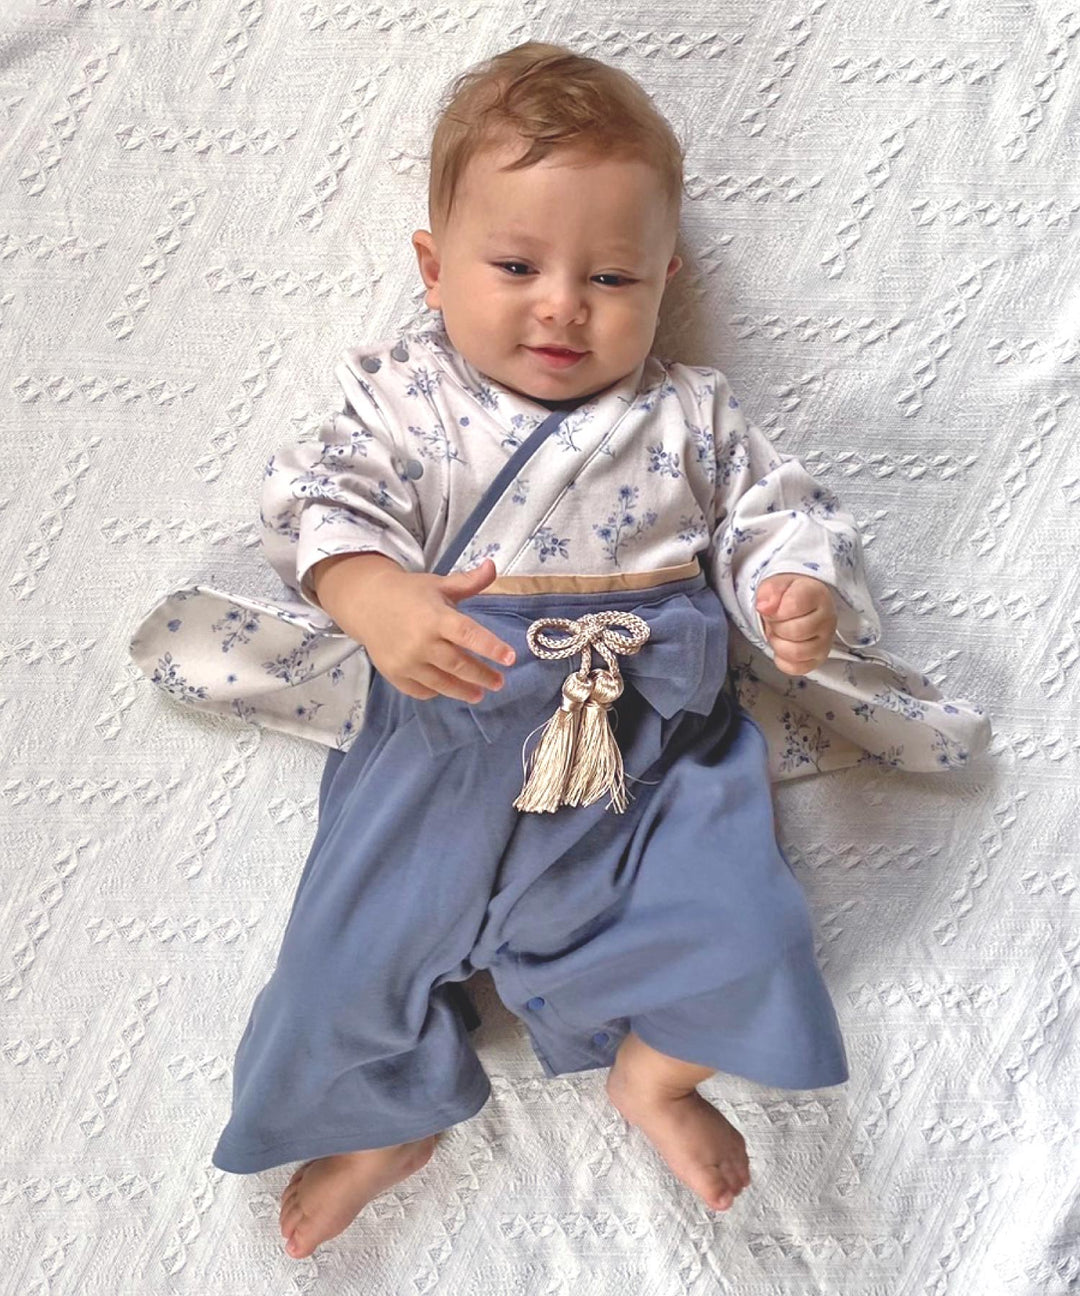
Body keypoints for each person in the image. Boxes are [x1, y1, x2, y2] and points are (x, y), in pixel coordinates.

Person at [129, 42, 989, 1261]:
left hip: (650, 753)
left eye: (612, 275)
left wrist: (792, 586)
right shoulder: (408, 402)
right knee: (345, 956)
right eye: (517, 266)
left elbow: (778, 510)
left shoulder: (689, 416)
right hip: (446, 743)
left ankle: (656, 1074)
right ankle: (387, 1123)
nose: (562, 305)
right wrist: (372, 592)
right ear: (433, 269)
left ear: (666, 281)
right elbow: (319, 495)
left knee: (749, 924)